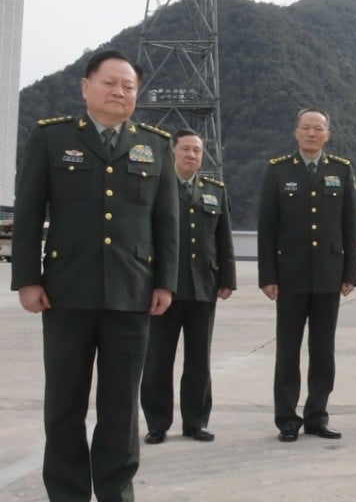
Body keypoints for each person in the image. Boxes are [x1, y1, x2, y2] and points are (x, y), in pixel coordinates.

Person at [11, 49, 179, 501]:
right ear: (86, 87)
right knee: (64, 403)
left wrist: (165, 282)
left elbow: (166, 221)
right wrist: (28, 278)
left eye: (128, 86)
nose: (119, 92)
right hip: (65, 292)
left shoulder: (155, 145)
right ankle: (67, 493)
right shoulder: (52, 138)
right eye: (109, 83)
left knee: (121, 407)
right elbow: (29, 214)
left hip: (132, 292)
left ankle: (116, 492)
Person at [257, 107, 356, 442]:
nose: (312, 133)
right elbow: (267, 227)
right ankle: (287, 419)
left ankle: (317, 415)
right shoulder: (278, 170)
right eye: (306, 127)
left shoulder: (341, 170)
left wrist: (350, 272)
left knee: (323, 351)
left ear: (328, 134)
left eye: (318, 128)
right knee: (288, 351)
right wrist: (268, 275)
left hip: (329, 275)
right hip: (290, 276)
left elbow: (349, 225)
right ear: (296, 132)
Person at [141, 128, 237, 445]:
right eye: (185, 149)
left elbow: (224, 239)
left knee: (199, 361)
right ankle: (157, 423)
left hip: (202, 288)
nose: (192, 155)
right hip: (164, 289)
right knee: (158, 360)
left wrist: (227, 279)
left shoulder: (214, 191)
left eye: (197, 150)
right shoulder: (156, 186)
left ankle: (196, 422)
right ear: (172, 152)